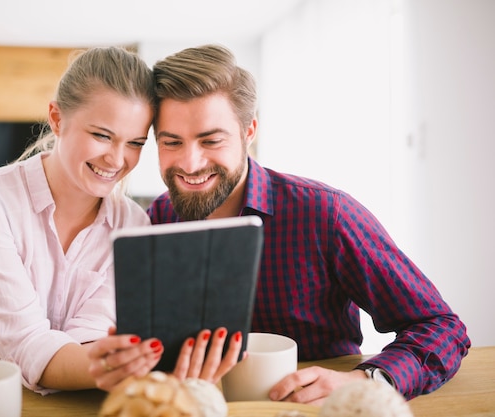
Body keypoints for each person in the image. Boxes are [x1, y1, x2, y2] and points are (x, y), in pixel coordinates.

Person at [147, 44, 471, 405]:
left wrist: (364, 380)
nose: (190, 164)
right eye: (172, 142)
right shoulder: (157, 220)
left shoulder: (325, 214)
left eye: (211, 140)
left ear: (248, 130)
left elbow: (442, 328)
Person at [0, 46, 241, 394]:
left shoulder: (132, 225)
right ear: (57, 118)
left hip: (62, 401)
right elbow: (26, 343)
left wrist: (130, 361)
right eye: (101, 135)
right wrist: (112, 367)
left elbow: (89, 336)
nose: (116, 159)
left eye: (135, 143)